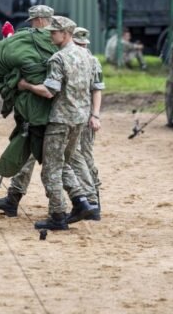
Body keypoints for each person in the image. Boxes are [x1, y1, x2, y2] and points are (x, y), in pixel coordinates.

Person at [17, 16, 99, 230]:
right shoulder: (87, 56)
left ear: (66, 34)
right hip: (80, 119)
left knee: (51, 169)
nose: (51, 35)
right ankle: (81, 202)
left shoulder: (58, 58)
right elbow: (94, 87)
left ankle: (58, 215)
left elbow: (49, 91)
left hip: (60, 120)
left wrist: (26, 85)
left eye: (54, 32)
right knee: (63, 163)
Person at [0, 5, 54, 216]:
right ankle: (13, 199)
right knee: (35, 154)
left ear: (42, 21)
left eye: (33, 21)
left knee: (49, 159)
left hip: (42, 110)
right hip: (46, 111)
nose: (32, 25)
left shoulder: (47, 43)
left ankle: (77, 203)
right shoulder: (54, 42)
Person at [69, 27, 104, 221]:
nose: (81, 47)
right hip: (73, 115)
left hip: (85, 117)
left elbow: (96, 89)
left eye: (83, 45)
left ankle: (94, 201)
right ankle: (87, 201)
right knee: (77, 157)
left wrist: (95, 115)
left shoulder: (92, 61)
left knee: (85, 157)